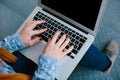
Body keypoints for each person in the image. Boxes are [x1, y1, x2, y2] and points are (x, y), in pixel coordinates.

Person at [0, 19, 119, 80]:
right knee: (71, 41)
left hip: (7, 64)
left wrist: (15, 42)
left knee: (63, 34)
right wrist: (49, 63)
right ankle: (106, 64)